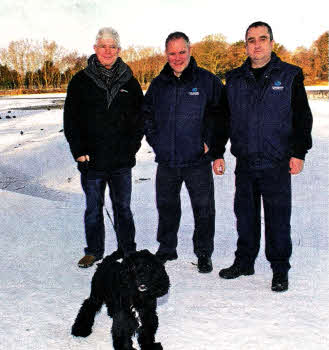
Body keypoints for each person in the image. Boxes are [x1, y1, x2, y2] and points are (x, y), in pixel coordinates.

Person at [219, 21, 313, 291]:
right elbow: (223, 119)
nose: (257, 44)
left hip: (277, 161)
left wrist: (298, 152)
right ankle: (245, 261)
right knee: (245, 215)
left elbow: (302, 118)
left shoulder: (290, 75)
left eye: (262, 38)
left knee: (277, 218)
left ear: (272, 43)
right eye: (251, 40)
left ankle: (280, 268)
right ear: (245, 45)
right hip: (246, 162)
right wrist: (216, 150)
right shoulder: (234, 79)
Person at [143, 32, 229, 273]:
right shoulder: (159, 83)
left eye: (182, 52)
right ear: (166, 54)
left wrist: (210, 144)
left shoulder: (207, 81)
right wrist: (156, 141)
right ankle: (167, 247)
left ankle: (203, 253)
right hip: (167, 160)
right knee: (166, 206)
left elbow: (221, 116)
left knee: (203, 208)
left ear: (190, 51)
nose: (177, 57)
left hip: (197, 160)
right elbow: (146, 114)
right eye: (172, 53)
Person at [64, 27, 144, 268]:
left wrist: (131, 148)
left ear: (119, 51)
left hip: (121, 161)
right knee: (93, 209)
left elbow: (139, 119)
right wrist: (79, 151)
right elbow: (71, 120)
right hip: (91, 161)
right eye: (103, 46)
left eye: (112, 47)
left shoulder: (130, 81)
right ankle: (94, 250)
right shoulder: (80, 81)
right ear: (95, 49)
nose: (107, 51)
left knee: (123, 208)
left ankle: (128, 249)